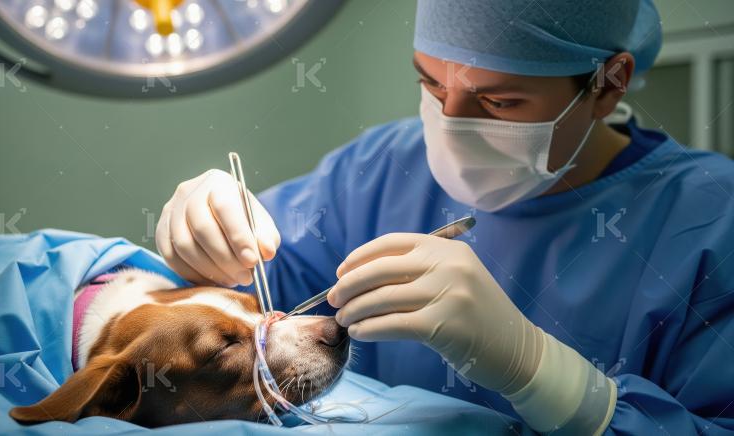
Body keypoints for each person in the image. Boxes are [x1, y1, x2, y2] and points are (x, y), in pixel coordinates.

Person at [155, 0, 734, 434]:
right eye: (431, 84)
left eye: (499, 102)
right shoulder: (381, 166)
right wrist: (205, 240)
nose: (449, 123)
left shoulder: (711, 222)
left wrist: (548, 378)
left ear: (608, 85)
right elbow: (238, 322)